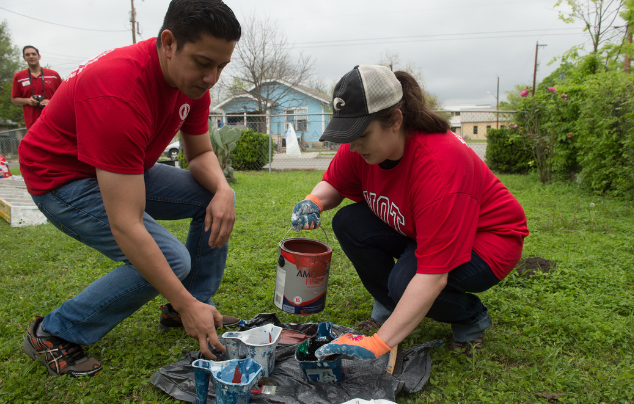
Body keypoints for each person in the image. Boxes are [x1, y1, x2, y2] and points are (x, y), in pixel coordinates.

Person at [18, 0, 241, 377]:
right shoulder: (118, 90)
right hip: (61, 177)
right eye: (204, 63)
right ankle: (54, 332)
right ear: (168, 43)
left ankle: (188, 307)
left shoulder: (191, 84)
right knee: (171, 259)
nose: (211, 79)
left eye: (221, 66)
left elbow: (201, 152)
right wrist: (181, 296)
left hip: (119, 167)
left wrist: (224, 190)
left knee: (209, 197)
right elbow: (126, 224)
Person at [290, 65, 529, 360]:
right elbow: (334, 184)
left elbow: (432, 276)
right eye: (347, 135)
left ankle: (471, 318)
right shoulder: (364, 147)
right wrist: (314, 200)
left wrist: (379, 343)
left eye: (360, 134)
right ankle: (391, 306)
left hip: (489, 241)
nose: (352, 146)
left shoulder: (440, 166)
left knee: (405, 284)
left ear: (395, 120)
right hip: (421, 226)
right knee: (349, 222)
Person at [11, 45, 62, 129]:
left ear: (39, 56)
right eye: (27, 55)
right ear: (24, 58)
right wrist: (28, 101)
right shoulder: (19, 76)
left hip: (53, 119)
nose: (31, 56)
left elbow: (64, 95)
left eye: (33, 54)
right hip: (32, 123)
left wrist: (51, 102)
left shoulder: (53, 75)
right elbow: (14, 99)